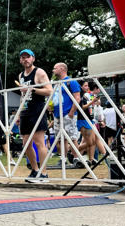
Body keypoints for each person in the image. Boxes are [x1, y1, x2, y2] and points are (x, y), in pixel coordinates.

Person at [16, 48, 53, 182]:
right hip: (26, 111)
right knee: (26, 144)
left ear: (33, 58)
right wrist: (19, 113)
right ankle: (35, 170)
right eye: (23, 57)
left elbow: (49, 91)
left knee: (39, 142)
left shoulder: (39, 72)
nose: (25, 59)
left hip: (37, 109)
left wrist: (32, 89)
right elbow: (22, 95)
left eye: (28, 57)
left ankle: (44, 173)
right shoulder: (21, 75)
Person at [51, 62, 81, 167]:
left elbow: (77, 98)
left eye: (55, 68)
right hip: (57, 114)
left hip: (68, 113)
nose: (53, 70)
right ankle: (63, 159)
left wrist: (71, 113)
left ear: (62, 69)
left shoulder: (71, 82)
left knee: (72, 137)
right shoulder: (56, 83)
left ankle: (77, 159)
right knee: (60, 138)